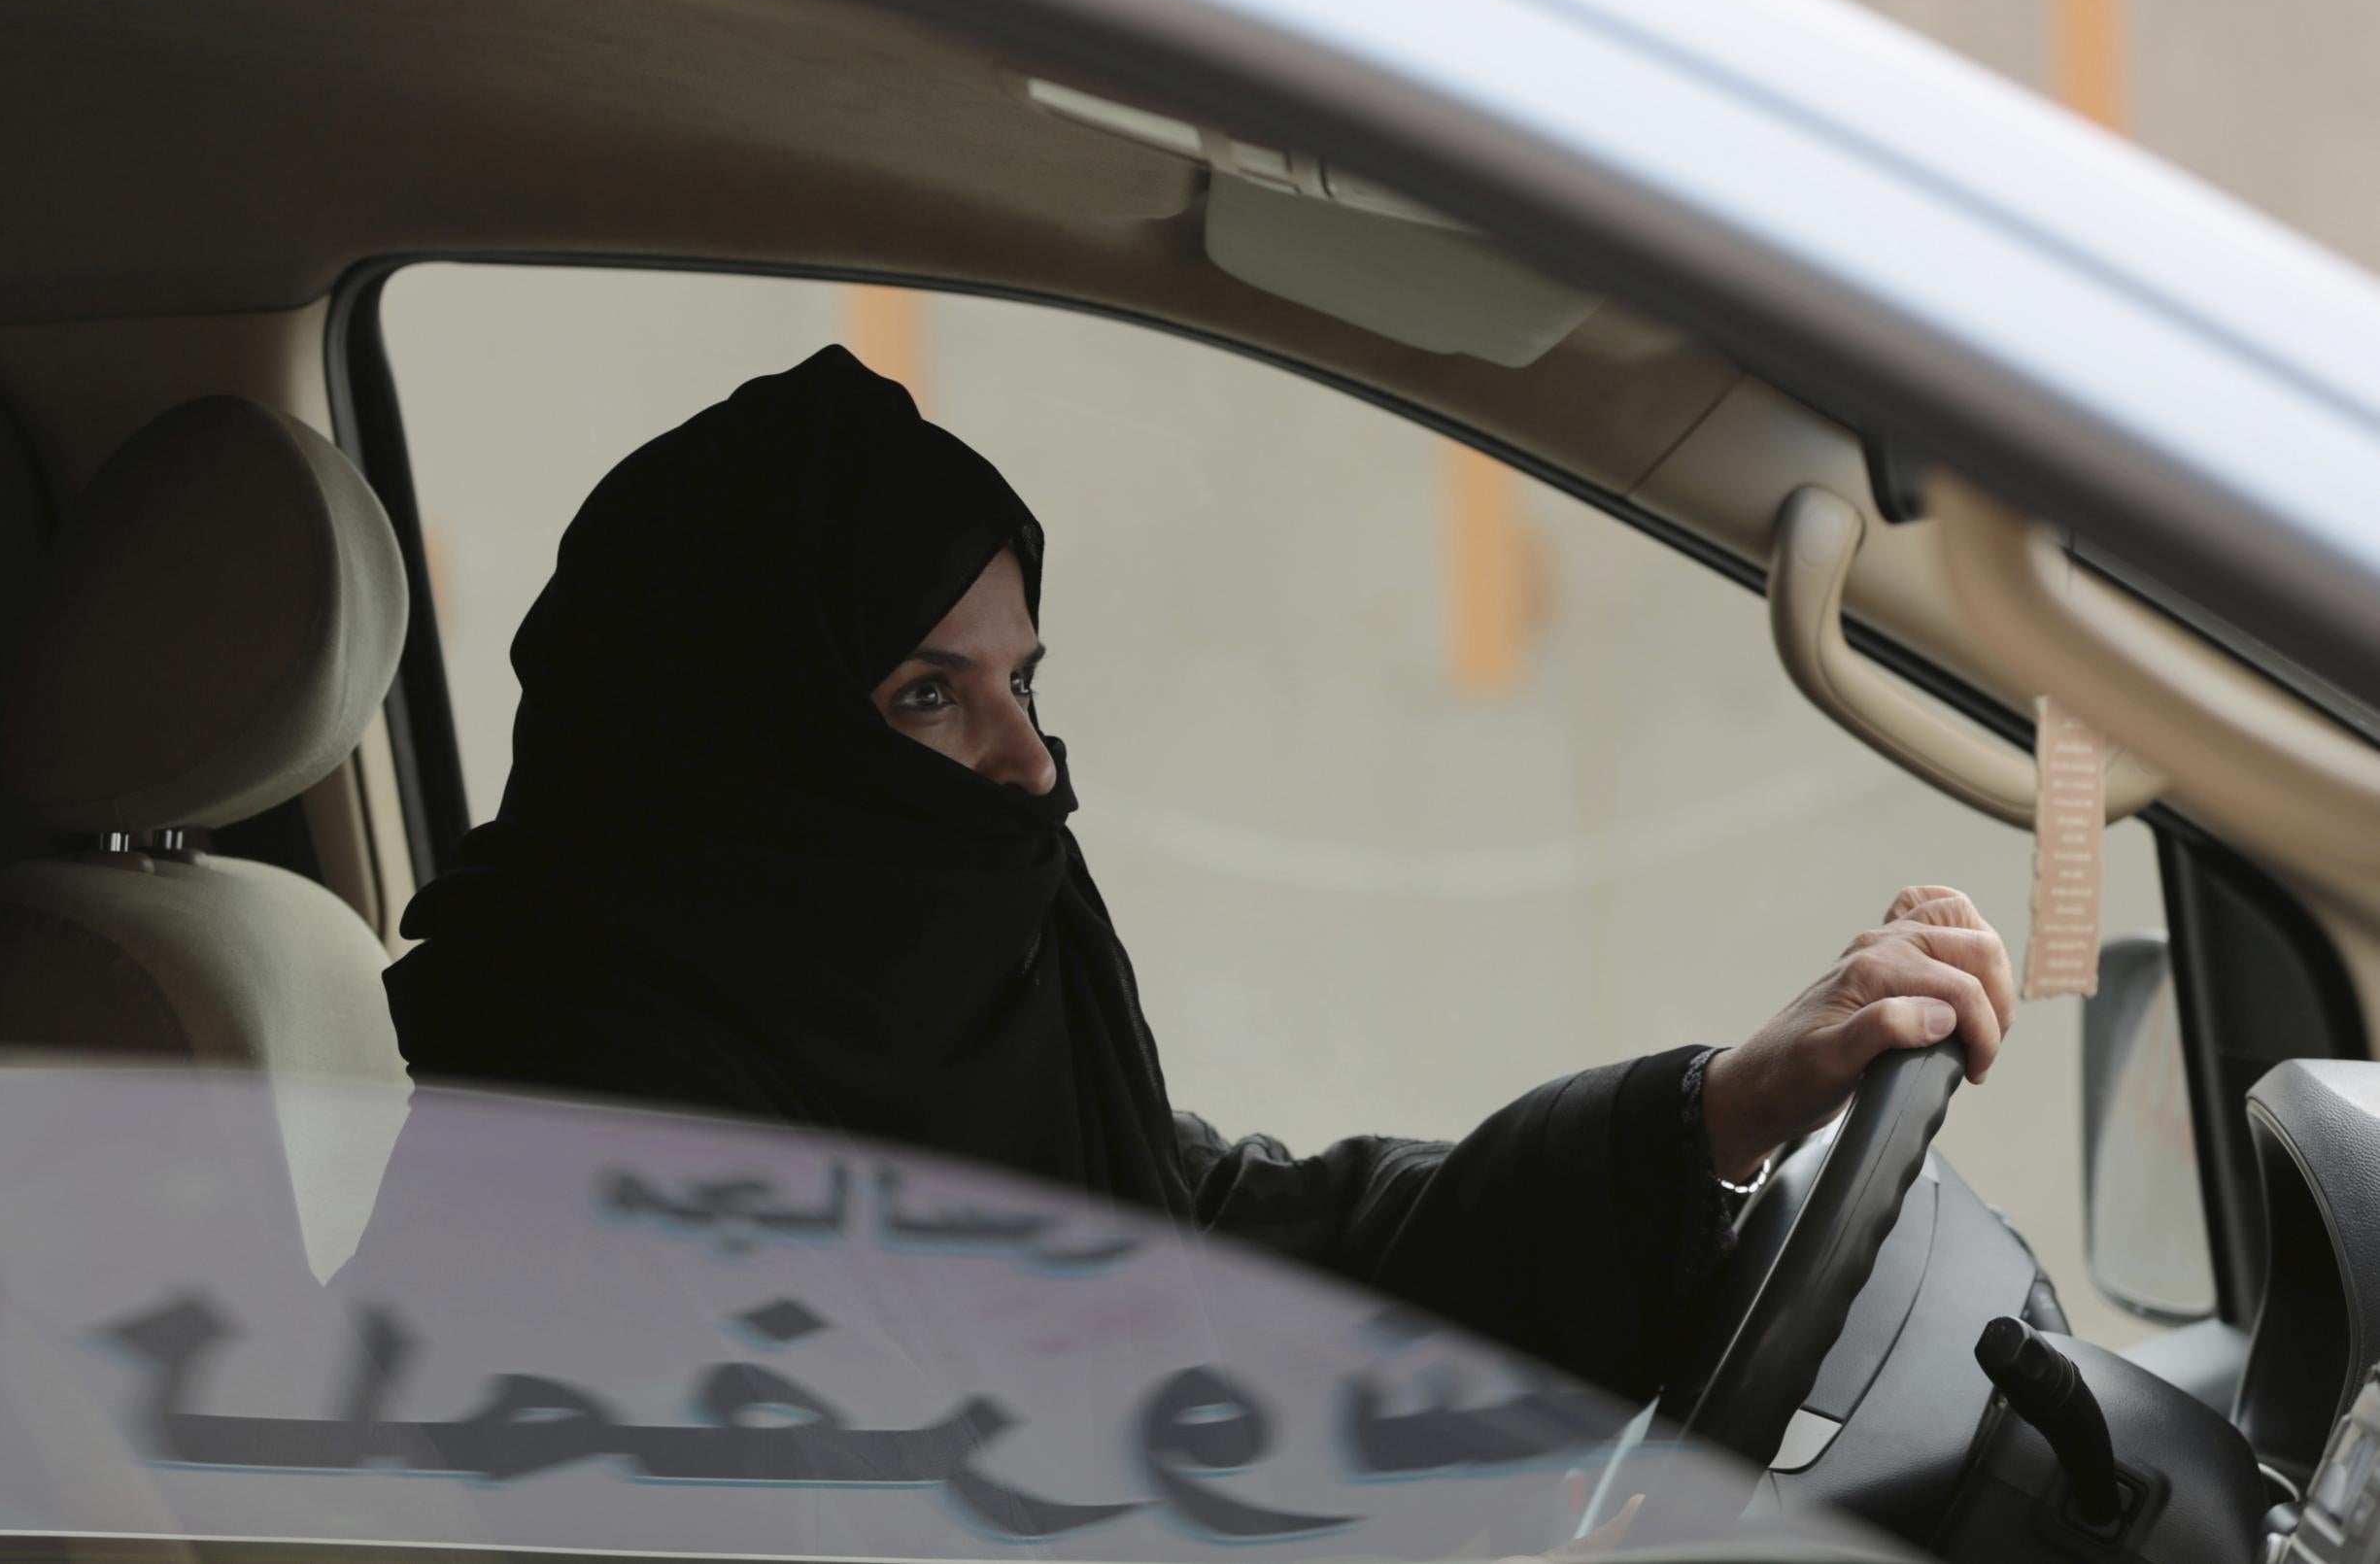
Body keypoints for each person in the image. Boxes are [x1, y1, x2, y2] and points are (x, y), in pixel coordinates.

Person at [385, 346, 2016, 1404]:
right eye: (927, 696)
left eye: (1024, 684)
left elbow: (1245, 1251)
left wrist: (1709, 1115)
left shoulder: (941, 1070)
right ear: (735, 747)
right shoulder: (558, 1174)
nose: (1028, 769)